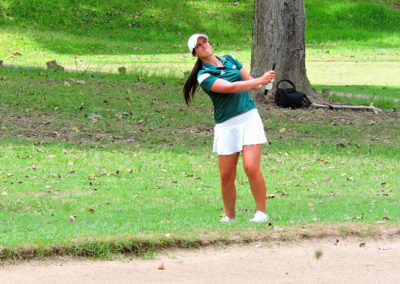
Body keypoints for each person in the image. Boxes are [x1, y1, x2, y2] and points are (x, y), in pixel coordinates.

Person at [183, 33, 275, 223]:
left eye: (205, 41)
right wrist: (259, 81)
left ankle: (261, 212)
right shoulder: (204, 76)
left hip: (249, 119)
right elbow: (230, 87)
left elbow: (251, 84)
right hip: (226, 125)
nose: (204, 46)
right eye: (198, 46)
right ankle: (230, 216)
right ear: (195, 54)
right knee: (226, 175)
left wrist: (265, 82)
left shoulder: (231, 59)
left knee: (251, 167)